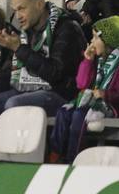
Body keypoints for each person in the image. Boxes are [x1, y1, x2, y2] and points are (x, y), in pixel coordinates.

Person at [0, 0, 85, 119]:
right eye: (15, 11)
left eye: (22, 9)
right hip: (24, 91)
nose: (18, 16)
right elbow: (13, 73)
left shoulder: (66, 28)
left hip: (59, 93)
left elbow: (55, 73)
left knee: (15, 104)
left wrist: (19, 48)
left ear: (39, 4)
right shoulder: (26, 32)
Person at [49, 17, 119, 161]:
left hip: (111, 107)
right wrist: (87, 60)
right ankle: (55, 155)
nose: (92, 42)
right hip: (92, 104)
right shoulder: (97, 61)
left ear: (108, 41)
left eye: (95, 38)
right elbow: (81, 84)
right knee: (64, 112)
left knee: (79, 115)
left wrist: (105, 94)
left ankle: (74, 158)